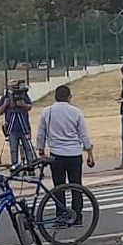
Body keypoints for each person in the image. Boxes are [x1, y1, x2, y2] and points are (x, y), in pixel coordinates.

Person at [37, 85, 95, 225]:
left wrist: (41, 149)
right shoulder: (76, 112)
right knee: (76, 185)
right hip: (74, 154)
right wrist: (89, 153)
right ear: (69, 97)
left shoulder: (47, 112)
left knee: (59, 186)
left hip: (56, 154)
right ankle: (77, 215)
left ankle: (61, 215)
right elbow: (83, 135)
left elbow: (41, 133)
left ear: (55, 96)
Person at [0, 79, 34, 166]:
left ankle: (30, 166)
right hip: (12, 128)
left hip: (24, 127)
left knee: (28, 148)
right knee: (13, 149)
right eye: (12, 88)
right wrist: (5, 104)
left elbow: (30, 106)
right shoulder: (5, 98)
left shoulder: (23, 95)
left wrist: (23, 105)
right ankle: (15, 166)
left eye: (15, 87)